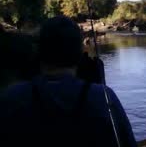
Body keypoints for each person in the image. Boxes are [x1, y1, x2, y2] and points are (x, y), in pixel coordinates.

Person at [0, 16, 137, 147]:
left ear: (39, 51)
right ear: (79, 53)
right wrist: (99, 86)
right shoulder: (103, 96)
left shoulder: (12, 97)